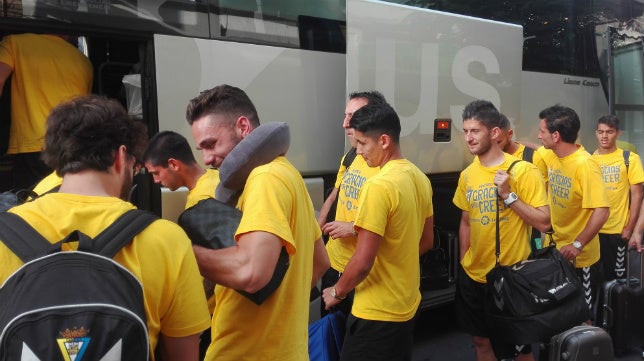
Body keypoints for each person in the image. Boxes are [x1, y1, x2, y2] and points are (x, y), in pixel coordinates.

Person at [0, 95, 211, 360]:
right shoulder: (166, 238)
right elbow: (183, 355)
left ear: (59, 158)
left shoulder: (4, 235)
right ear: (122, 156)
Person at [186, 84, 329, 361]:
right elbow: (320, 261)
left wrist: (181, 250)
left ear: (242, 126)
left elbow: (252, 273)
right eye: (200, 149)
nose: (206, 159)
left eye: (211, 144)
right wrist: (279, 309)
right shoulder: (288, 173)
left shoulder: (263, 179)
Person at [321, 101, 434, 361]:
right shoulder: (420, 178)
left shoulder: (379, 187)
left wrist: (337, 291)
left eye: (362, 143)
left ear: (384, 140)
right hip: (406, 305)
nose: (358, 151)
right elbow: (426, 241)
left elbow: (362, 262)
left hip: (375, 311)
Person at [453, 100, 550, 361]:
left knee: (520, 347)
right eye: (465, 131)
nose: (469, 138)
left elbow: (544, 222)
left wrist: (509, 196)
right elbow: (465, 220)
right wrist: (465, 259)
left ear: (494, 133)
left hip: (510, 278)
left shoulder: (523, 171)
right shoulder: (467, 175)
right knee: (481, 341)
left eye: (475, 131)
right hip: (474, 276)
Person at [535, 104, 609, 320]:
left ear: (556, 136)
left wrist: (578, 244)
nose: (538, 136)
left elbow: (602, 211)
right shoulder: (550, 155)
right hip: (556, 252)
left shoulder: (586, 165)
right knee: (559, 314)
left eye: (542, 131)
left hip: (581, 258)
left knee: (582, 318)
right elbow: (532, 148)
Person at [317, 90, 385, 317]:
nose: (345, 123)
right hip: (332, 263)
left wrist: (353, 227)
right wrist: (318, 230)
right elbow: (335, 194)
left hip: (360, 271)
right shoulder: (351, 156)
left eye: (352, 116)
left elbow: (394, 224)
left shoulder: (383, 164)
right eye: (346, 116)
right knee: (329, 340)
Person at [0, 33, 93, 190]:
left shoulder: (15, 43)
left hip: (35, 145)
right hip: (74, 146)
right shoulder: (83, 61)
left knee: (32, 205)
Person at [591, 115, 644, 281]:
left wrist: (630, 228)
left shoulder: (629, 159)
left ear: (618, 134)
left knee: (617, 281)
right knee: (597, 279)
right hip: (594, 231)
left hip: (617, 231)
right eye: (601, 132)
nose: (604, 136)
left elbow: (638, 195)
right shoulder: (591, 159)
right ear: (596, 133)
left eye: (609, 132)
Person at [142, 130, 220, 209]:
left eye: (156, 173)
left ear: (173, 164)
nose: (156, 180)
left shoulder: (199, 204)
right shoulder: (218, 175)